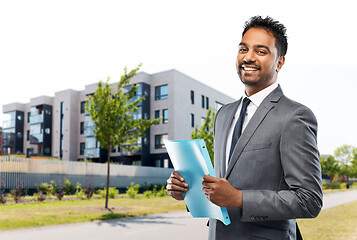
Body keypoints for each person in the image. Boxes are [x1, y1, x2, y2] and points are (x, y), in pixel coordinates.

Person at [166, 16, 323, 240]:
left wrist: (239, 198)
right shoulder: (223, 115)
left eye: (261, 51)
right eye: (243, 49)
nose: (248, 57)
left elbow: (309, 200)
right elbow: (221, 184)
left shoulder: (294, 116)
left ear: (279, 62)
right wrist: (187, 191)